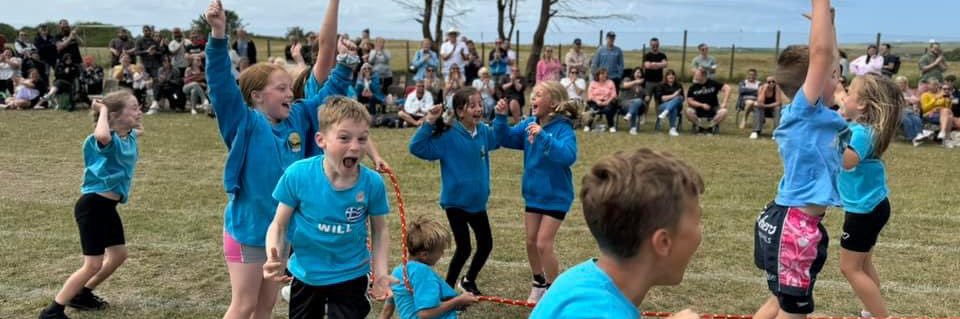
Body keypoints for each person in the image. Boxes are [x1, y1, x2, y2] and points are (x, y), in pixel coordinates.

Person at [203, 1, 386, 318]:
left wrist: (344, 65)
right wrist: (218, 33)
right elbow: (220, 84)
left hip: (284, 231)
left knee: (265, 306)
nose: (291, 93)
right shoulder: (243, 122)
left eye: (290, 87)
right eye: (282, 88)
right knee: (244, 304)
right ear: (258, 95)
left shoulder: (299, 117)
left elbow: (325, 98)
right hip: (248, 231)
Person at [753, 3, 849, 318]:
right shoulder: (804, 112)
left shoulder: (816, 114)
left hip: (791, 221)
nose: (839, 81)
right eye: (834, 76)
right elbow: (821, 56)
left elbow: (827, 57)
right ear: (815, 79)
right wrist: (821, 6)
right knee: (794, 313)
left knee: (779, 303)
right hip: (794, 228)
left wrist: (830, 24)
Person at [530, 148, 704, 319]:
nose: (699, 235)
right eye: (697, 222)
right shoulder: (599, 312)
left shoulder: (581, 280)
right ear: (663, 242)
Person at [263, 98, 393, 319]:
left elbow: (380, 230)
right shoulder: (298, 174)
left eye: (362, 139)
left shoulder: (372, 183)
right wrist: (272, 256)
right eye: (344, 138)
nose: (355, 146)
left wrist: (380, 273)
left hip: (351, 275)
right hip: (306, 275)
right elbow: (278, 224)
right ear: (321, 140)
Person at [37, 91, 143, 319]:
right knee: (92, 264)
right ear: (114, 115)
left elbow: (137, 129)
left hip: (106, 208)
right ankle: (53, 311)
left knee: (118, 255)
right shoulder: (101, 140)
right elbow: (103, 136)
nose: (139, 111)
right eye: (133, 107)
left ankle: (82, 294)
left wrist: (124, 116)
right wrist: (103, 109)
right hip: (93, 206)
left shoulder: (128, 136)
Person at [493, 81, 579, 303]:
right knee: (531, 242)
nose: (532, 99)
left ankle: (553, 289)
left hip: (556, 196)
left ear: (553, 103)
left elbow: (568, 156)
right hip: (533, 193)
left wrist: (543, 136)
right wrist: (501, 117)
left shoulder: (563, 128)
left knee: (543, 243)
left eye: (538, 95)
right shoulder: (529, 123)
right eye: (533, 95)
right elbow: (506, 138)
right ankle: (538, 283)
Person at [409, 87, 500, 295]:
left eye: (480, 104)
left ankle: (468, 280)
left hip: (477, 203)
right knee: (464, 247)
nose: (478, 108)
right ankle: (448, 290)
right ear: (460, 111)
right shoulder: (448, 136)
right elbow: (416, 147)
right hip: (455, 203)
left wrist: (503, 118)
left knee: (486, 244)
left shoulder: (483, 132)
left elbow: (500, 137)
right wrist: (430, 121)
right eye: (473, 105)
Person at [837, 73, 904, 319]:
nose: (844, 97)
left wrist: (826, 141)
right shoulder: (861, 128)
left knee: (849, 268)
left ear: (863, 104)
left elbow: (847, 161)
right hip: (871, 206)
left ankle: (880, 316)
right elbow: (841, 105)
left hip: (864, 211)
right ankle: (871, 311)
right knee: (863, 264)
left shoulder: (863, 133)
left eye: (849, 93)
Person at [383, 217, 480, 319]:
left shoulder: (396, 273)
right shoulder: (423, 274)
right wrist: (458, 301)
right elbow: (425, 313)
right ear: (424, 254)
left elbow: (387, 309)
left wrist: (455, 302)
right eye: (440, 250)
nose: (442, 254)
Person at [683, 68, 731, 134]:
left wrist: (724, 102)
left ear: (703, 76)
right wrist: (701, 105)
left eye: (696, 75)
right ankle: (700, 127)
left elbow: (727, 88)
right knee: (688, 111)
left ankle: (710, 127)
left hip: (713, 108)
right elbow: (690, 101)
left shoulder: (712, 83)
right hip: (698, 110)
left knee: (724, 111)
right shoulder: (693, 87)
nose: (694, 76)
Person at [920, 79, 960, 148]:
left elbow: (948, 108)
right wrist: (935, 99)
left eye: (937, 85)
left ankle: (944, 136)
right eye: (933, 84)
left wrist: (949, 100)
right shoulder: (925, 95)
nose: (936, 86)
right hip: (930, 114)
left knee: (950, 116)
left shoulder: (942, 95)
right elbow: (924, 109)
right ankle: (945, 137)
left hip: (943, 115)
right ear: (929, 85)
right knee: (948, 114)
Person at [584, 68, 617, 133]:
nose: (604, 76)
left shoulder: (610, 82)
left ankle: (611, 126)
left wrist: (607, 102)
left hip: (607, 101)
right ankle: (588, 126)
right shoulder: (593, 83)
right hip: (595, 101)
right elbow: (590, 95)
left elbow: (614, 95)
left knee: (609, 110)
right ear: (598, 75)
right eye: (602, 74)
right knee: (593, 109)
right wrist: (597, 101)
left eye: (605, 74)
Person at [654, 69, 684, 136]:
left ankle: (666, 111)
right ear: (666, 76)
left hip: (677, 104)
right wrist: (674, 95)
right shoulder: (660, 85)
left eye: (672, 74)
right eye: (669, 75)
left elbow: (682, 98)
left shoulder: (679, 85)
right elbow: (662, 98)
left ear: (675, 76)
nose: (671, 76)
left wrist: (676, 97)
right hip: (663, 106)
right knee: (673, 108)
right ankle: (672, 129)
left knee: (678, 99)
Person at [643, 37, 669, 110]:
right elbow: (647, 66)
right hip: (648, 81)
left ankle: (658, 117)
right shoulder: (647, 55)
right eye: (653, 45)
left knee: (658, 100)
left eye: (656, 45)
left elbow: (665, 64)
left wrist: (653, 64)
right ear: (650, 45)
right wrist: (659, 65)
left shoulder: (662, 55)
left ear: (659, 45)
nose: (655, 47)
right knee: (647, 100)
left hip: (659, 82)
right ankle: (644, 117)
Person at [620, 68, 647, 135]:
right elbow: (624, 85)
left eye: (640, 73)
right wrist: (635, 82)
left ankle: (629, 114)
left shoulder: (642, 86)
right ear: (633, 73)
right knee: (635, 105)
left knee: (636, 103)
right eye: (637, 72)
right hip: (625, 104)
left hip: (638, 106)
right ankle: (633, 129)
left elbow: (646, 95)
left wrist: (647, 96)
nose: (639, 74)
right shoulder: (627, 79)